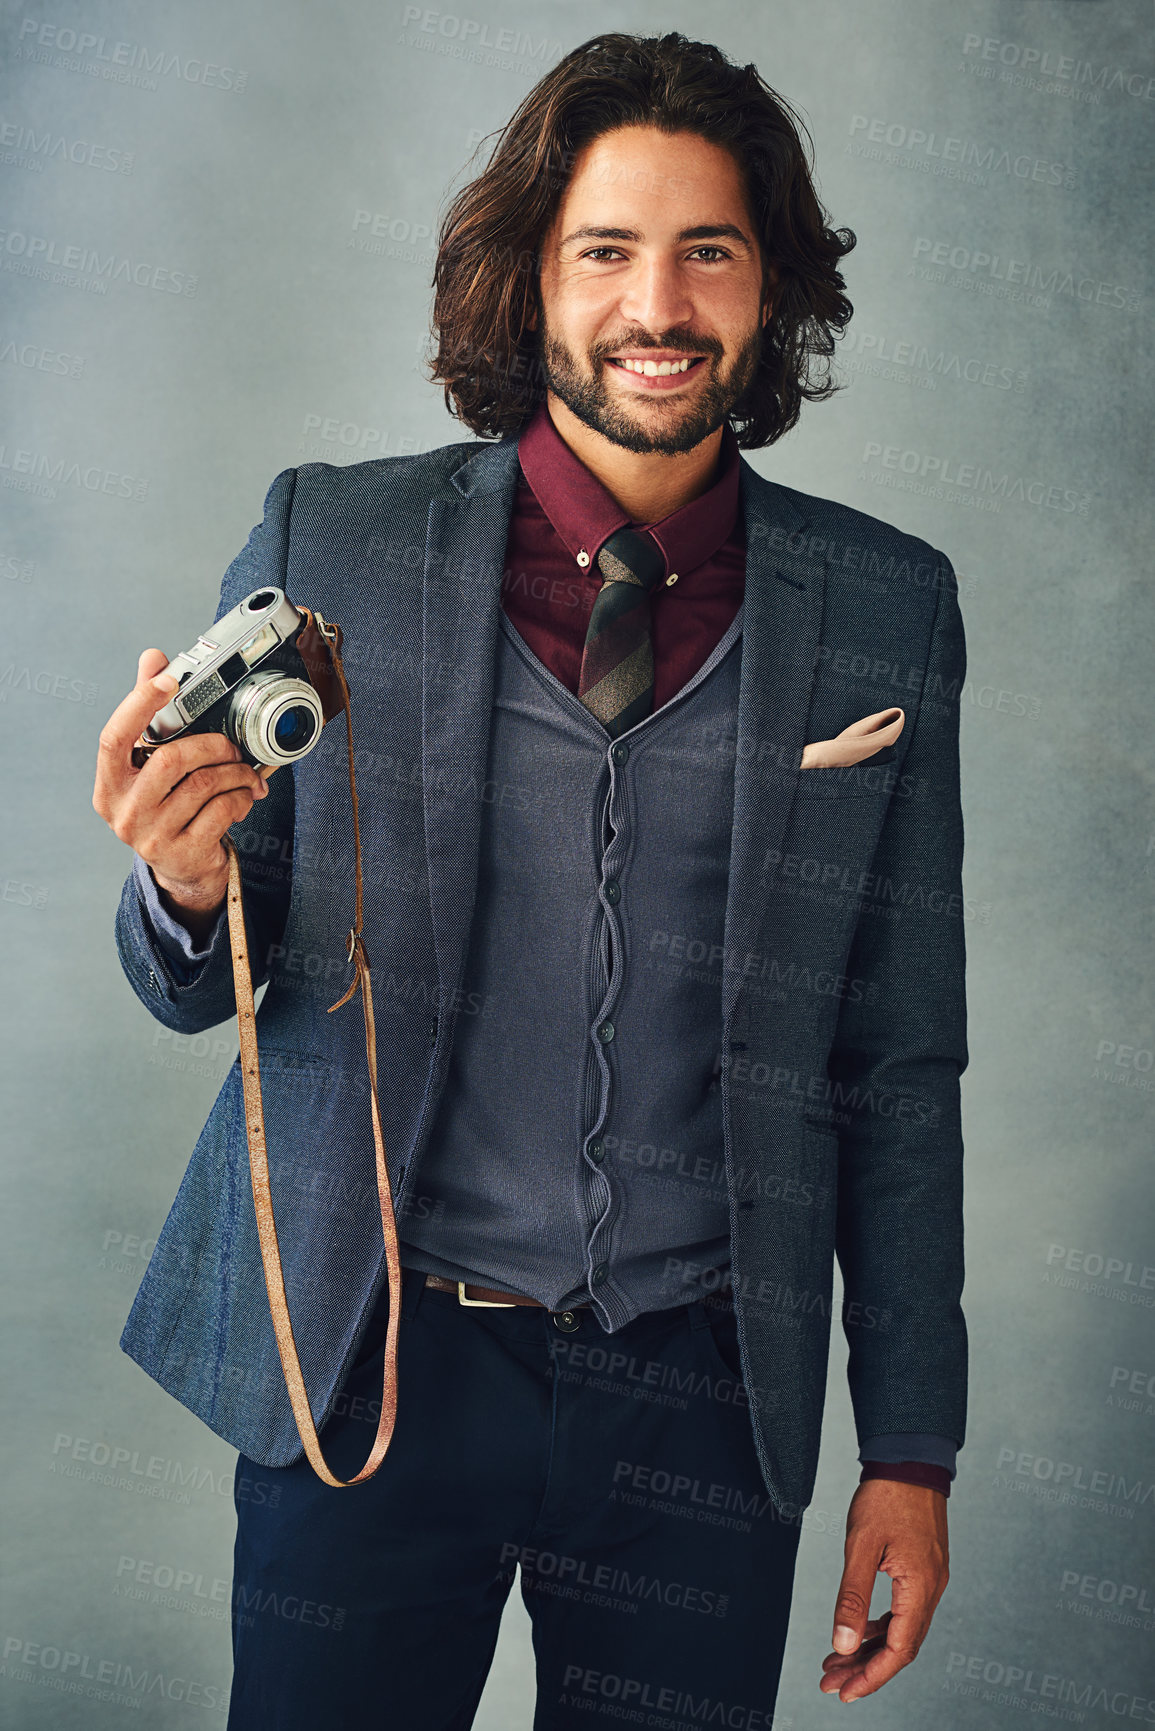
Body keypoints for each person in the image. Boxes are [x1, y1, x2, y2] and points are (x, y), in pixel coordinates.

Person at [92, 31, 966, 1728]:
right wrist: (180, 892)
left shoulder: (886, 608)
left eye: (709, 249)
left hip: (707, 1400)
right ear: (533, 282)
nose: (661, 303)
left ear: (767, 283)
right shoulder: (327, 543)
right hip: (380, 1358)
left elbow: (898, 1065)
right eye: (608, 252)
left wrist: (912, 1450)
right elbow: (207, 969)